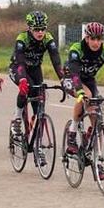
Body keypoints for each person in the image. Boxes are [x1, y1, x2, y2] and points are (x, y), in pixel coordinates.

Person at [65, 22, 104, 181]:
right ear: (86, 37)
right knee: (86, 94)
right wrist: (79, 90)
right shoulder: (76, 49)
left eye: (99, 39)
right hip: (72, 78)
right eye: (92, 38)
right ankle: (72, 133)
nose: (96, 42)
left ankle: (96, 159)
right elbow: (74, 72)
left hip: (89, 80)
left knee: (96, 115)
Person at [8, 11, 64, 147]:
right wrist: (21, 80)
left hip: (35, 69)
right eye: (36, 30)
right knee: (28, 88)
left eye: (43, 29)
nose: (40, 33)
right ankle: (17, 119)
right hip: (19, 68)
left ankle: (35, 137)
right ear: (29, 28)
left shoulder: (48, 38)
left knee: (39, 104)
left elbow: (56, 60)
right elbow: (20, 62)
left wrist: (63, 79)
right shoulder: (22, 38)